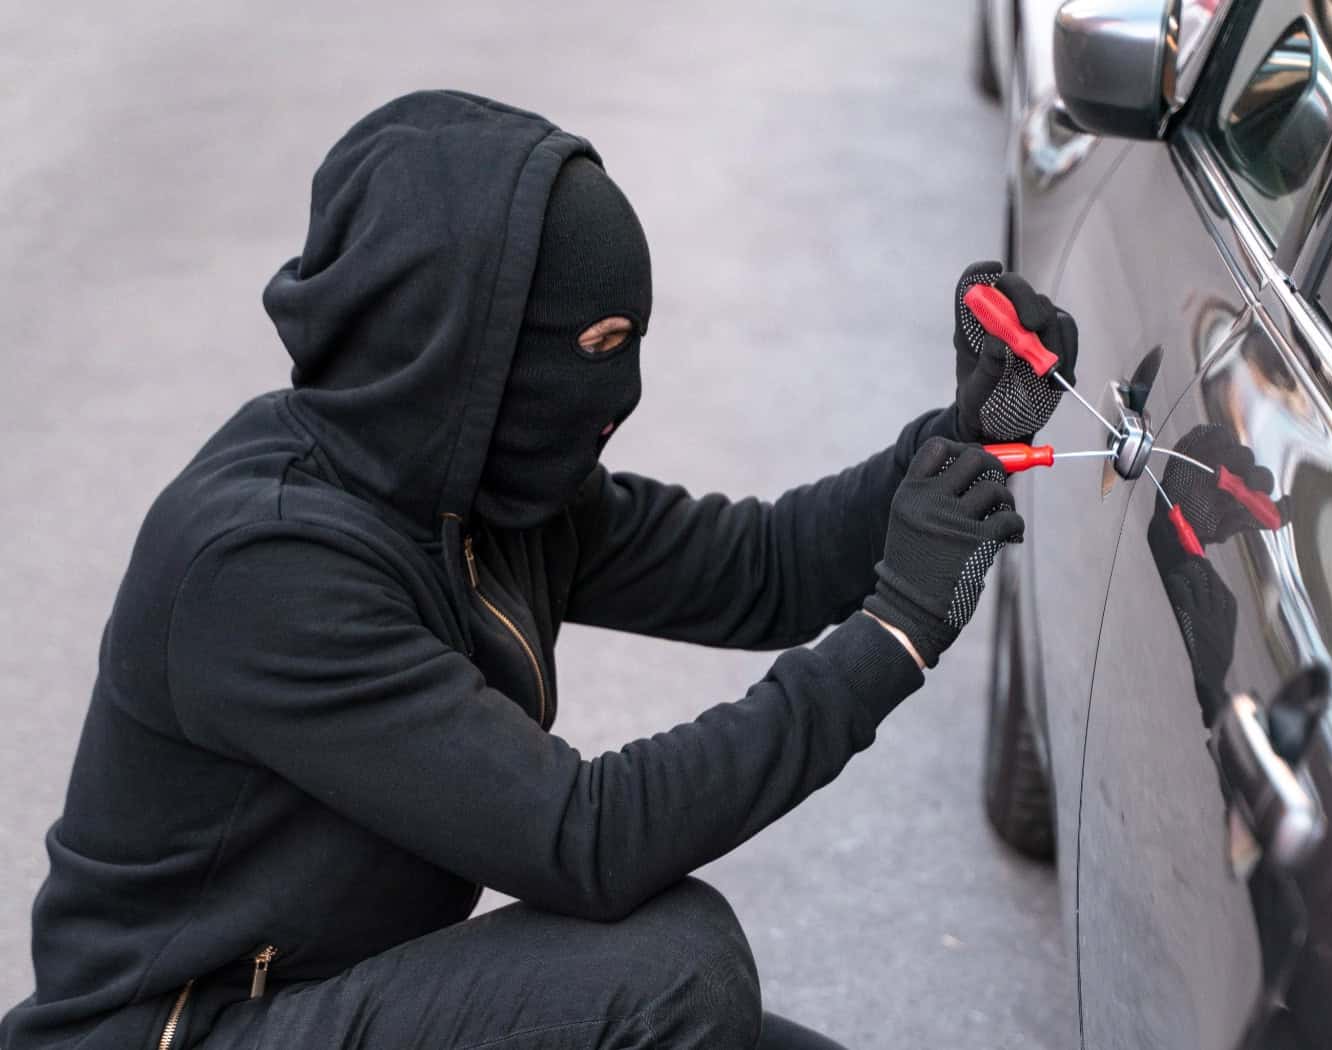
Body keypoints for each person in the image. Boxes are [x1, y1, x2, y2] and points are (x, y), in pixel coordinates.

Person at [0, 91, 1078, 1050]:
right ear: (462, 345)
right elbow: (585, 839)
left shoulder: (475, 485)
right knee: (669, 972)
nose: (622, 391)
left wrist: (964, 438)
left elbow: (761, 568)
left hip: (345, 990)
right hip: (186, 1030)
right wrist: (894, 634)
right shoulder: (264, 569)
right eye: (600, 345)